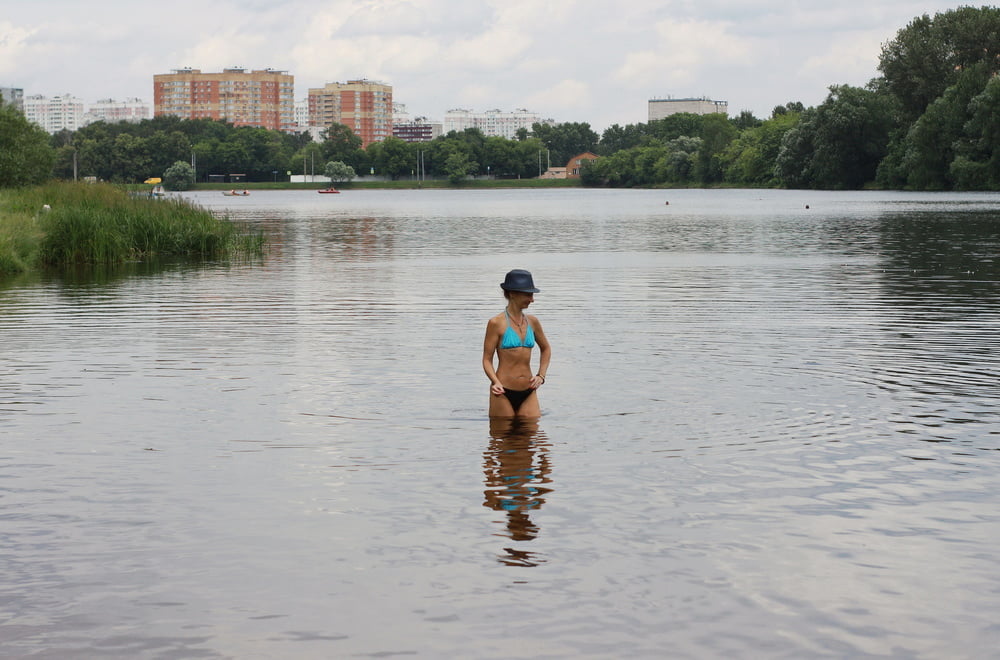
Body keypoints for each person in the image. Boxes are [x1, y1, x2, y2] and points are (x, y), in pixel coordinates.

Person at [482, 269, 551, 418]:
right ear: (512, 294)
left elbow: (546, 349)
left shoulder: (533, 322)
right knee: (503, 438)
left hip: (529, 390)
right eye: (528, 294)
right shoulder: (496, 323)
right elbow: (487, 359)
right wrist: (495, 382)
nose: (532, 299)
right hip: (502, 391)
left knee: (534, 435)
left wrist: (541, 376)